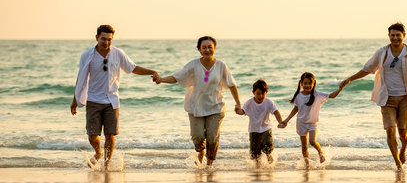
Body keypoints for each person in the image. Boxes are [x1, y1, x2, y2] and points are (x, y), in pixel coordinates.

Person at [339, 22, 407, 170]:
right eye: (392, 35)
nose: (395, 38)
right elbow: (367, 69)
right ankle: (398, 163)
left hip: (404, 99)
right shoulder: (382, 53)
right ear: (388, 36)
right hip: (387, 98)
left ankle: (403, 149)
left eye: (398, 35)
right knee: (390, 130)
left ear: (404, 36)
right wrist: (349, 79)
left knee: (403, 134)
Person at [70, 25, 160, 169]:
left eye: (109, 40)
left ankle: (106, 164)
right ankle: (98, 153)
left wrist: (152, 71)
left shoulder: (118, 53)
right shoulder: (87, 55)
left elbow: (133, 68)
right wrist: (75, 100)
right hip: (93, 100)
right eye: (103, 39)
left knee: (110, 134)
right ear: (96, 38)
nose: (106, 43)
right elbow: (80, 78)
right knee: (92, 135)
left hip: (112, 101)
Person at [153, 36, 242, 167]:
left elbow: (231, 84)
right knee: (197, 137)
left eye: (210, 47)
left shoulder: (221, 65)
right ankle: (200, 152)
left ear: (214, 48)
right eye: (204, 47)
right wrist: (161, 80)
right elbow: (177, 77)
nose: (207, 50)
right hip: (195, 107)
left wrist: (238, 103)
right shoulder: (193, 65)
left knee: (212, 137)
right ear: (199, 50)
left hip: (216, 107)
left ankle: (209, 164)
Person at [278, 72, 342, 167]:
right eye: (305, 83)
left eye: (309, 83)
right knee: (304, 146)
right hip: (301, 123)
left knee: (312, 141)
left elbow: (332, 95)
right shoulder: (298, 96)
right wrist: (286, 120)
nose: (307, 85)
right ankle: (307, 165)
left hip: (312, 123)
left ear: (313, 83)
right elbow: (295, 109)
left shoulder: (317, 95)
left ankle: (320, 153)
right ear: (301, 83)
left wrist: (340, 88)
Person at [237, 79, 284, 167]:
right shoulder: (249, 103)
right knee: (255, 153)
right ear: (253, 92)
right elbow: (243, 111)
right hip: (254, 130)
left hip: (266, 128)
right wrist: (238, 111)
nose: (261, 96)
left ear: (266, 92)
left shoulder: (269, 102)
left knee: (268, 146)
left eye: (263, 93)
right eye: (258, 93)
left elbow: (276, 112)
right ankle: (258, 167)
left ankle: (268, 155)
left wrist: (280, 122)